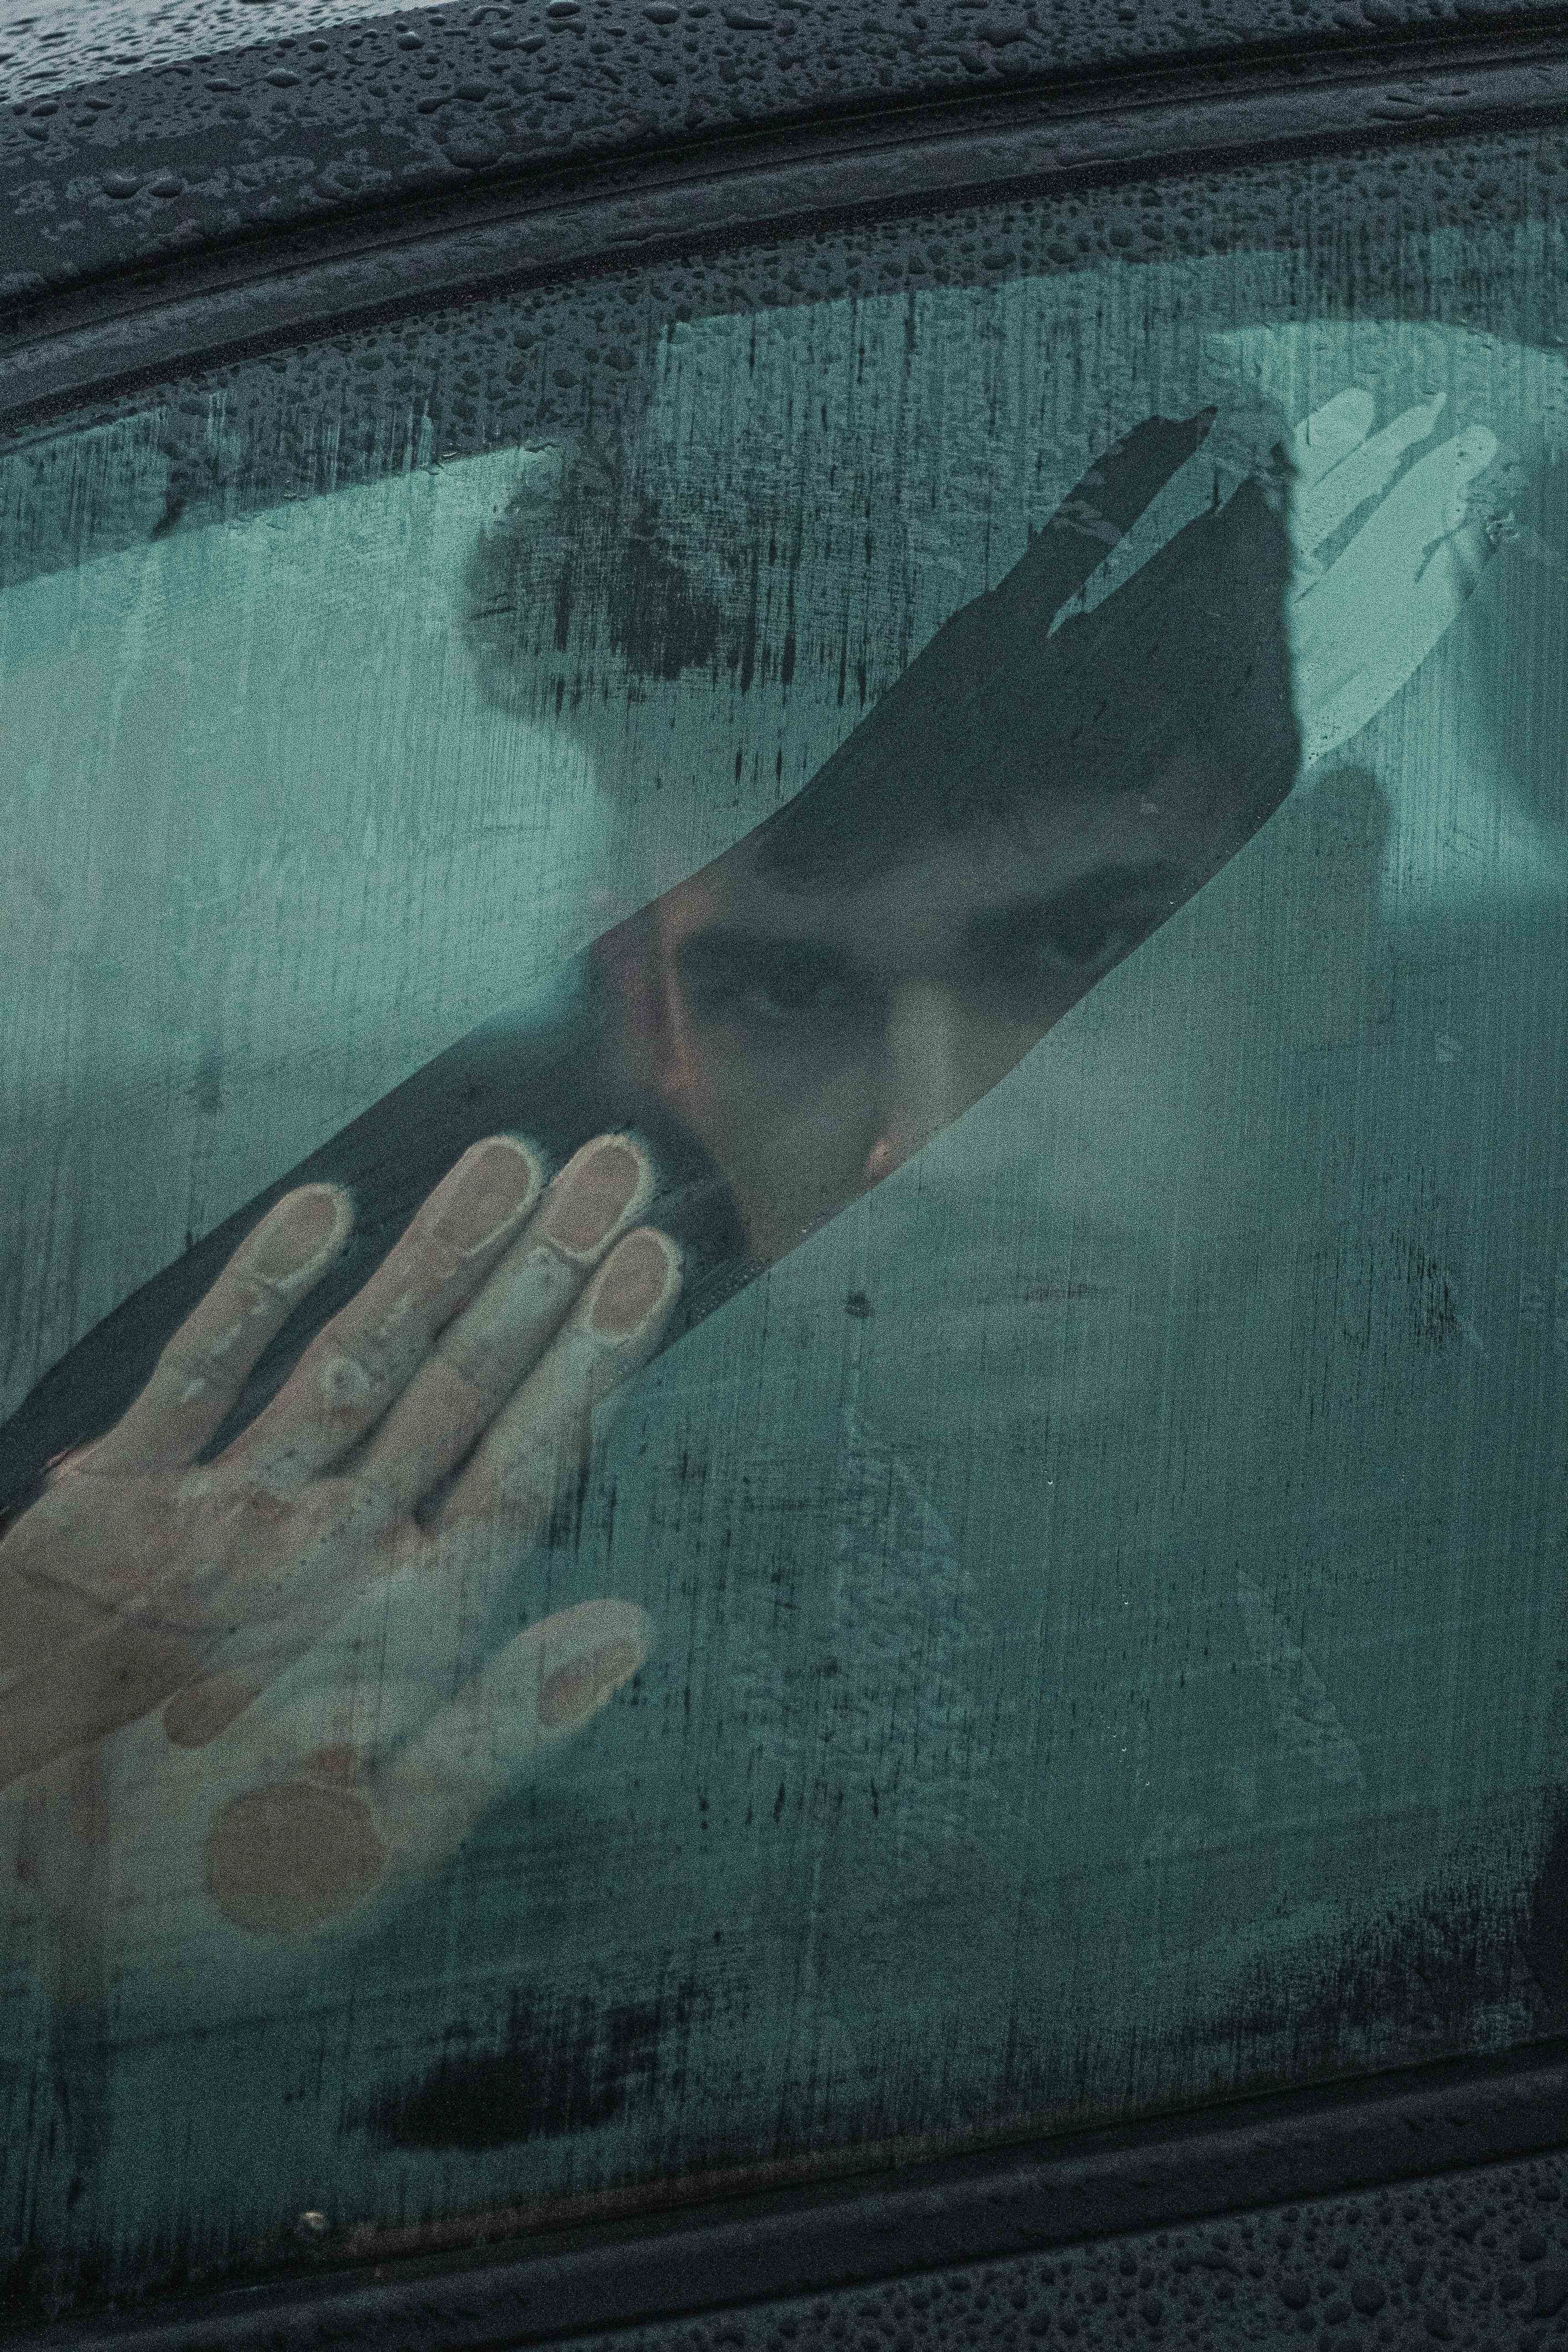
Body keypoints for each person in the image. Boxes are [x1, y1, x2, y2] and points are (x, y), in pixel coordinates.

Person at [0, 389, 1496, 2007]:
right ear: (648, 1023)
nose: (943, 1145)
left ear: (1318, 918)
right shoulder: (406, 1679)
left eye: (1073, 955)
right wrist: (96, 1988)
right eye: (787, 995)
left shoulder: (1506, 1534)